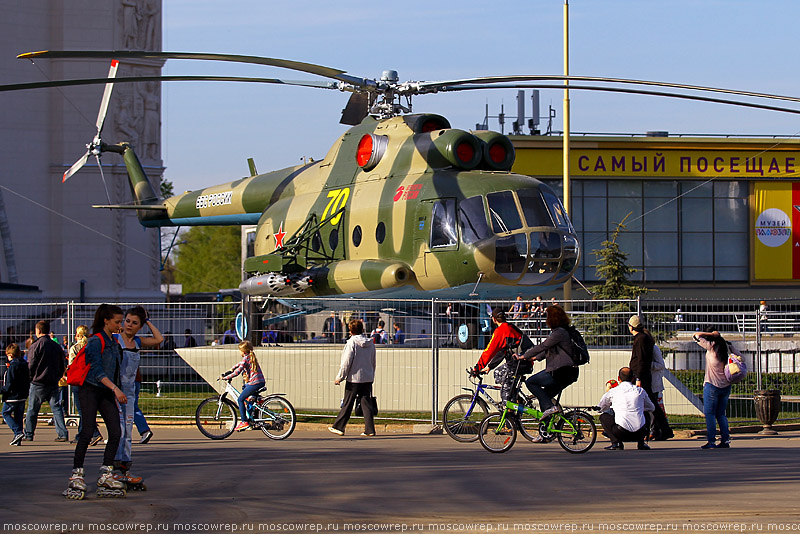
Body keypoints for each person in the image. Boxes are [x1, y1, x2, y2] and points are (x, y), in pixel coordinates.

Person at [66, 304, 128, 499]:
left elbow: (116, 370)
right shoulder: (95, 342)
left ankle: (106, 473)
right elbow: (97, 371)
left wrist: (116, 388)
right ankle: (77, 474)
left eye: (122, 321)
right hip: (90, 389)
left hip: (106, 391)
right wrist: (115, 389)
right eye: (117, 322)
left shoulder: (115, 342)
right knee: (87, 431)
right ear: (106, 321)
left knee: (116, 432)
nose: (121, 325)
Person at [113, 306, 162, 482]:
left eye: (134, 323)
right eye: (127, 321)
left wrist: (147, 320)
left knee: (127, 432)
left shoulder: (138, 342)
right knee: (117, 431)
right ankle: (113, 468)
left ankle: (125, 468)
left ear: (139, 326)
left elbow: (159, 339)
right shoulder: (115, 339)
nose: (129, 325)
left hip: (130, 392)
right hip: (115, 391)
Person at [518, 305, 579, 421]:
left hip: (561, 372)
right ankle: (546, 432)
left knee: (531, 382)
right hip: (570, 372)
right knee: (544, 397)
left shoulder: (559, 332)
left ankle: (551, 407)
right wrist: (534, 358)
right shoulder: (565, 331)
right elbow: (549, 349)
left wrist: (524, 356)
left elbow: (543, 346)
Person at [329, 319, 377, 437]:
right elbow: (373, 361)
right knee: (366, 403)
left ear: (351, 330)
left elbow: (346, 362)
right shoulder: (370, 343)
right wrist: (371, 374)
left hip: (354, 378)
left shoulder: (351, 343)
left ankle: (339, 426)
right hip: (367, 377)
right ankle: (369, 429)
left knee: (348, 403)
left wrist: (340, 377)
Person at [627, 315, 671, 441]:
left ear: (631, 327)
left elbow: (641, 360)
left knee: (649, 405)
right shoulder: (642, 338)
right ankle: (661, 429)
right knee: (650, 404)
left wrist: (639, 378)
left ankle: (657, 430)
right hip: (642, 375)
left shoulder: (640, 339)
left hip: (641, 376)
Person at [24, 320, 68, 442]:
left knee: (32, 409)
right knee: (56, 408)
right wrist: (58, 375)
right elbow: (61, 362)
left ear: (38, 331)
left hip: (38, 381)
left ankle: (29, 433)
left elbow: (31, 364)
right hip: (53, 381)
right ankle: (62, 433)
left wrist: (30, 377)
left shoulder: (36, 345)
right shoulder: (56, 346)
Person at [473, 309, 530, 403]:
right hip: (522, 362)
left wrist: (477, 368)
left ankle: (511, 415)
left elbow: (489, 351)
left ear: (494, 319)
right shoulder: (510, 327)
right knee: (498, 374)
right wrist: (490, 367)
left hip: (518, 364)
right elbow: (503, 351)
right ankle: (516, 398)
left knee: (505, 394)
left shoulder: (501, 331)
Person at [597, 366, 655, 450]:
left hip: (621, 432)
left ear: (618, 378)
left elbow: (600, 408)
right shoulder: (640, 391)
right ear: (633, 378)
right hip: (639, 433)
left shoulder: (613, 391)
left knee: (604, 417)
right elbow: (651, 408)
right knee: (646, 414)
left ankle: (616, 443)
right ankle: (641, 443)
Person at [693, 329, 732, 449]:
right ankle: (725, 440)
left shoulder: (711, 347)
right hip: (726, 385)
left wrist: (712, 335)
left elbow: (696, 335)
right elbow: (741, 357)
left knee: (709, 414)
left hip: (712, 385)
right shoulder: (726, 347)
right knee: (721, 414)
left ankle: (711, 441)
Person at [67, 325, 103, 446]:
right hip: (91, 380)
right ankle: (80, 435)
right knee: (88, 408)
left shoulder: (75, 348)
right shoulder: (93, 346)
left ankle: (94, 433)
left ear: (77, 335)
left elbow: (71, 365)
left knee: (83, 410)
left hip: (79, 380)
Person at [220, 341, 265, 432]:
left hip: (255, 383)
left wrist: (226, 377)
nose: (239, 352)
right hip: (260, 381)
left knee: (240, 399)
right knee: (246, 393)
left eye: (239, 350)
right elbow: (240, 365)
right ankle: (251, 413)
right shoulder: (250, 356)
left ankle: (244, 422)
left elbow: (238, 371)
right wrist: (232, 368)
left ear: (243, 351)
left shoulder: (246, 358)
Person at [2, 344, 30, 446]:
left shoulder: (13, 366)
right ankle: (17, 438)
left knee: (5, 413)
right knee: (18, 416)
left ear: (10, 355)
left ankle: (17, 432)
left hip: (12, 396)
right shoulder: (24, 365)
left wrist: (3, 391)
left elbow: (9, 383)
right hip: (22, 395)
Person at [649, 342, 674, 441]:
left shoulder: (653, 348)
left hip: (653, 384)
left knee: (654, 409)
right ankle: (657, 430)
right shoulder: (641, 347)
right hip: (646, 382)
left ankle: (657, 430)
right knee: (651, 409)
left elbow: (660, 365)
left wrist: (648, 364)